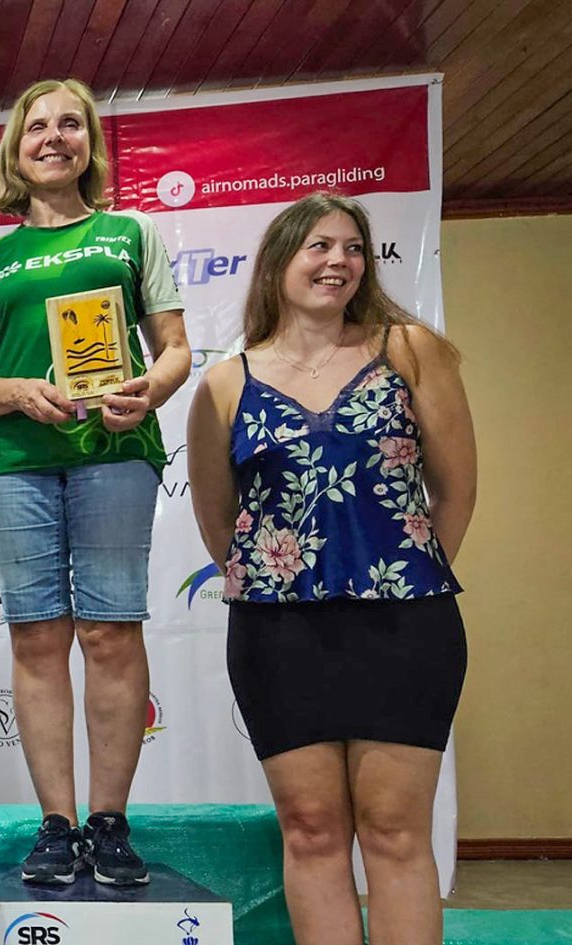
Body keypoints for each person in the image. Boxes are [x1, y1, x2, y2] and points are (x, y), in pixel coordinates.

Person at [186, 191, 475, 945]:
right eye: (319, 245)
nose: (339, 260)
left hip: (405, 626)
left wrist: (395, 568)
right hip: (277, 636)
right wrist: (284, 579)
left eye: (352, 246)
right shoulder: (225, 382)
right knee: (312, 831)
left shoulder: (411, 351)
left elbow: (455, 491)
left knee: (394, 830)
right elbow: (220, 522)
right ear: (280, 261)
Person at [0, 78, 191, 886]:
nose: (54, 137)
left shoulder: (130, 232)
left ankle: (110, 823)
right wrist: (20, 393)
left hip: (116, 453)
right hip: (14, 462)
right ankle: (56, 824)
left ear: (90, 143)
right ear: (16, 149)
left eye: (70, 125)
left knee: (111, 630)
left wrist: (147, 391)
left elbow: (178, 350)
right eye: (37, 126)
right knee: (38, 637)